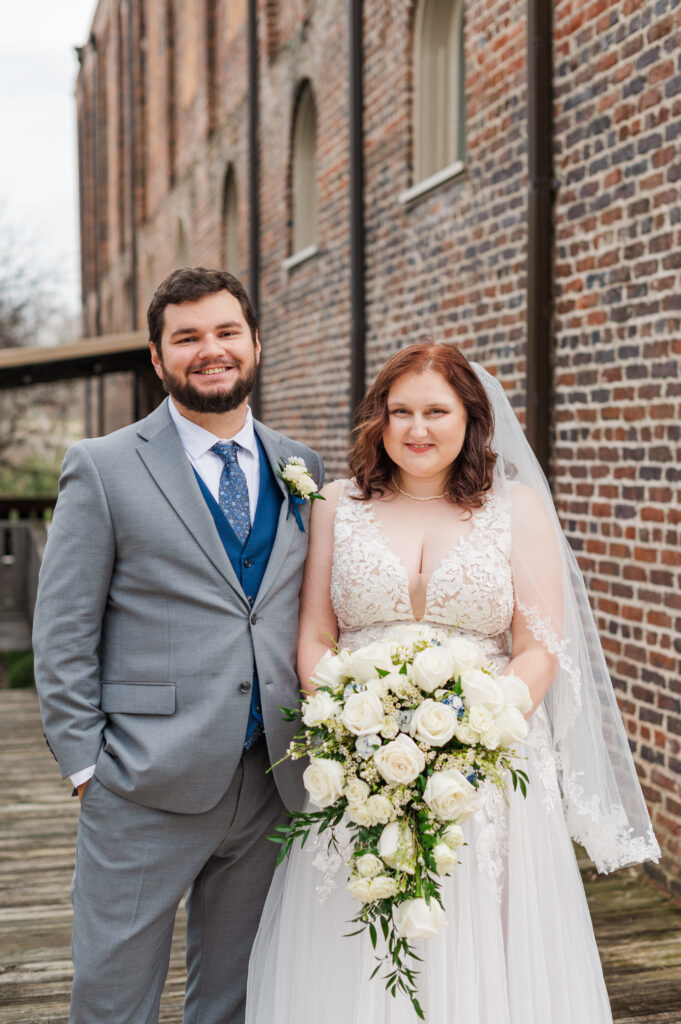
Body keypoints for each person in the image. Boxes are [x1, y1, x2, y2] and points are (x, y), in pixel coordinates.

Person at [246, 341, 659, 1024]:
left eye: (435, 410)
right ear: (377, 419)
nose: (416, 428)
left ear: (470, 418)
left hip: (488, 765)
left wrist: (477, 729)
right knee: (360, 932)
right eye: (398, 410)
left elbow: (538, 646)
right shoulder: (334, 504)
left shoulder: (515, 508)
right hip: (360, 760)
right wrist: (353, 721)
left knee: (482, 935)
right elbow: (315, 636)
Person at [32, 267, 323, 1024]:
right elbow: (62, 633)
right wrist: (87, 767)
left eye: (226, 332)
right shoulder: (102, 467)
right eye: (187, 338)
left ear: (255, 344)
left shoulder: (302, 467)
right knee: (113, 999)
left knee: (235, 998)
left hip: (272, 783)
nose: (210, 350)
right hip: (141, 780)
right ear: (157, 360)